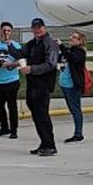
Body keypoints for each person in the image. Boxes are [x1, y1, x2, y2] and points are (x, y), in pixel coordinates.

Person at [20, 17, 60, 156]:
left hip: (43, 85)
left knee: (42, 115)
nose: (37, 30)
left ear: (44, 28)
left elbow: (51, 64)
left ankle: (50, 145)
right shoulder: (32, 44)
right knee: (36, 115)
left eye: (39, 27)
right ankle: (43, 143)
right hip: (32, 84)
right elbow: (21, 53)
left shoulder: (50, 43)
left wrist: (32, 69)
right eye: (34, 28)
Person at [58, 31, 90, 144]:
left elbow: (72, 58)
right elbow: (60, 58)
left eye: (74, 37)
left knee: (76, 109)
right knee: (72, 109)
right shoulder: (69, 50)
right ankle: (77, 133)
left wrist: (61, 46)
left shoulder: (80, 52)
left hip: (73, 85)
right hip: (64, 84)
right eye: (71, 36)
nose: (71, 38)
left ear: (80, 41)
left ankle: (78, 134)